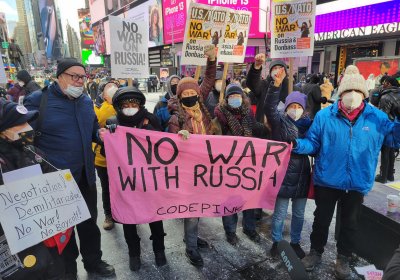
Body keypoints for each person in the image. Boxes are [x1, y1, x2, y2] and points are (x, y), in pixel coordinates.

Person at [293, 65, 400, 280]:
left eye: (358, 93)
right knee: (321, 220)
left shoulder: (376, 118)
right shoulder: (325, 116)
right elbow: (313, 143)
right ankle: (316, 252)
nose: (352, 97)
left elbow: (393, 139)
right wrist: (296, 145)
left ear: (364, 95)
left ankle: (343, 256)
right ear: (340, 94)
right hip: (327, 179)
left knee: (350, 224)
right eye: (348, 93)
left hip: (357, 182)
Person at [24, 58, 115, 279]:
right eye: (73, 76)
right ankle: (68, 269)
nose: (79, 81)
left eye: (82, 77)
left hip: (86, 176)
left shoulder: (85, 101)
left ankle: (93, 262)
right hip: (55, 182)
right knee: (63, 230)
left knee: (89, 224)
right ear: (59, 76)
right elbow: (23, 138)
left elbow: (93, 128)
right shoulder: (38, 101)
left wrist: (100, 135)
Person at [0, 99, 73, 279]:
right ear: (4, 131)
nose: (28, 128)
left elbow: (53, 178)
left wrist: (64, 183)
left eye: (27, 122)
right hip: (16, 244)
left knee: (56, 271)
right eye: (20, 124)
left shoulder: (32, 151)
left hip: (47, 236)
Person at [101, 87, 167, 271]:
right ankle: (134, 254)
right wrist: (105, 138)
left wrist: (147, 130)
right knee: (129, 220)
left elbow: (163, 147)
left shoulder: (150, 119)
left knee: (155, 217)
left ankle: (160, 251)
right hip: (126, 183)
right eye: (125, 105)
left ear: (140, 105)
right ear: (118, 107)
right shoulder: (112, 123)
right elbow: (107, 153)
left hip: (149, 181)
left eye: (134, 104)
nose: (130, 107)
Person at [167, 45, 218, 267]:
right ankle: (191, 248)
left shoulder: (203, 112)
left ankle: (192, 237)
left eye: (192, 94)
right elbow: (169, 149)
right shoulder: (175, 119)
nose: (189, 97)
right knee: (191, 210)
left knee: (198, 208)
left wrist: (212, 59)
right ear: (180, 98)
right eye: (185, 95)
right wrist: (179, 137)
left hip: (205, 169)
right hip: (187, 172)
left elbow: (208, 80)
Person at [264, 69, 312, 259]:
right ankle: (276, 242)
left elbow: (315, 145)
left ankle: (295, 242)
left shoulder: (309, 125)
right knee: (280, 213)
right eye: (291, 105)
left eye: (298, 106)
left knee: (299, 214)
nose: (295, 109)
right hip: (283, 174)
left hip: (302, 175)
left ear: (303, 108)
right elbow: (269, 108)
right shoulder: (279, 122)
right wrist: (276, 86)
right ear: (286, 107)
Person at [214, 83, 263, 245]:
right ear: (226, 99)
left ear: (243, 98)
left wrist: (269, 128)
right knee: (230, 199)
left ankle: (249, 228)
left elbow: (256, 129)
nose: (235, 99)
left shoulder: (248, 114)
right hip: (228, 166)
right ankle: (230, 231)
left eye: (238, 96)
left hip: (247, 165)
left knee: (249, 198)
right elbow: (213, 138)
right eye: (232, 97)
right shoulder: (219, 117)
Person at [93, 81, 119, 230]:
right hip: (103, 158)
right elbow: (101, 121)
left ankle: (125, 212)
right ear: (103, 94)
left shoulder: (124, 105)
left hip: (123, 158)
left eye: (115, 87)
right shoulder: (98, 109)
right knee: (107, 188)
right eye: (109, 88)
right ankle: (108, 215)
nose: (112, 89)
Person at [246, 53, 289, 123]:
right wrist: (256, 67)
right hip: (263, 125)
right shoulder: (264, 85)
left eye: (280, 68)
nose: (278, 70)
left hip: (283, 128)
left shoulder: (292, 88)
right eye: (275, 68)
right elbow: (251, 83)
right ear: (270, 72)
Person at [375, 76, 400, 183]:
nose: (382, 85)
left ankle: (383, 176)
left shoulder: (386, 97)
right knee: (392, 150)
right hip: (397, 126)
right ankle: (390, 174)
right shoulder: (398, 94)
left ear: (389, 84)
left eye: (384, 82)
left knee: (385, 150)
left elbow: (382, 116)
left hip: (389, 127)